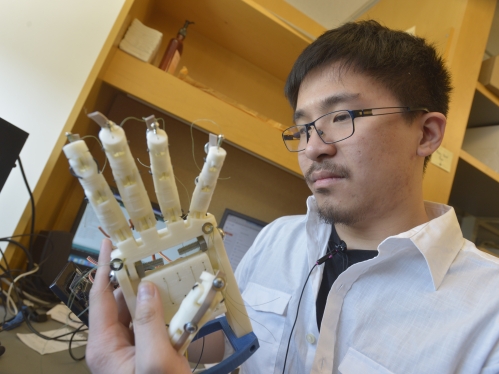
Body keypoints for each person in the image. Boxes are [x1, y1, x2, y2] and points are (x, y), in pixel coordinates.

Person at [87, 20, 499, 374]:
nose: (313, 148)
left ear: (425, 134)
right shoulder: (277, 240)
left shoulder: (488, 314)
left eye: (342, 117)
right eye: (302, 129)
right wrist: (158, 321)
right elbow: (232, 344)